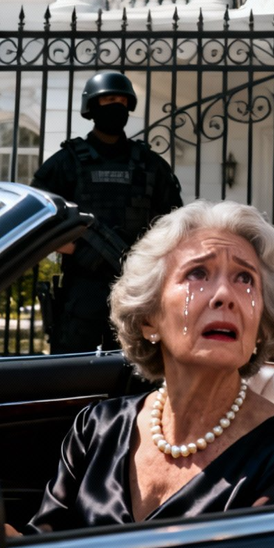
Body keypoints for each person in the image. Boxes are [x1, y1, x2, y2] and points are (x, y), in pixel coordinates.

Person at [23, 200, 274, 531]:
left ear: (259, 324)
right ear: (149, 320)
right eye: (198, 273)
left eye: (245, 278)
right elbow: (40, 544)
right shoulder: (97, 428)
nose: (225, 295)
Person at [32, 72, 183, 353]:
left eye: (122, 100)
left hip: (136, 285)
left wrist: (149, 257)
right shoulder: (66, 162)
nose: (116, 106)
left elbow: (175, 224)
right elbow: (36, 217)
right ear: (92, 107)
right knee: (73, 372)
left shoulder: (150, 165)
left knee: (133, 371)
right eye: (109, 100)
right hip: (83, 286)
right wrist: (73, 248)